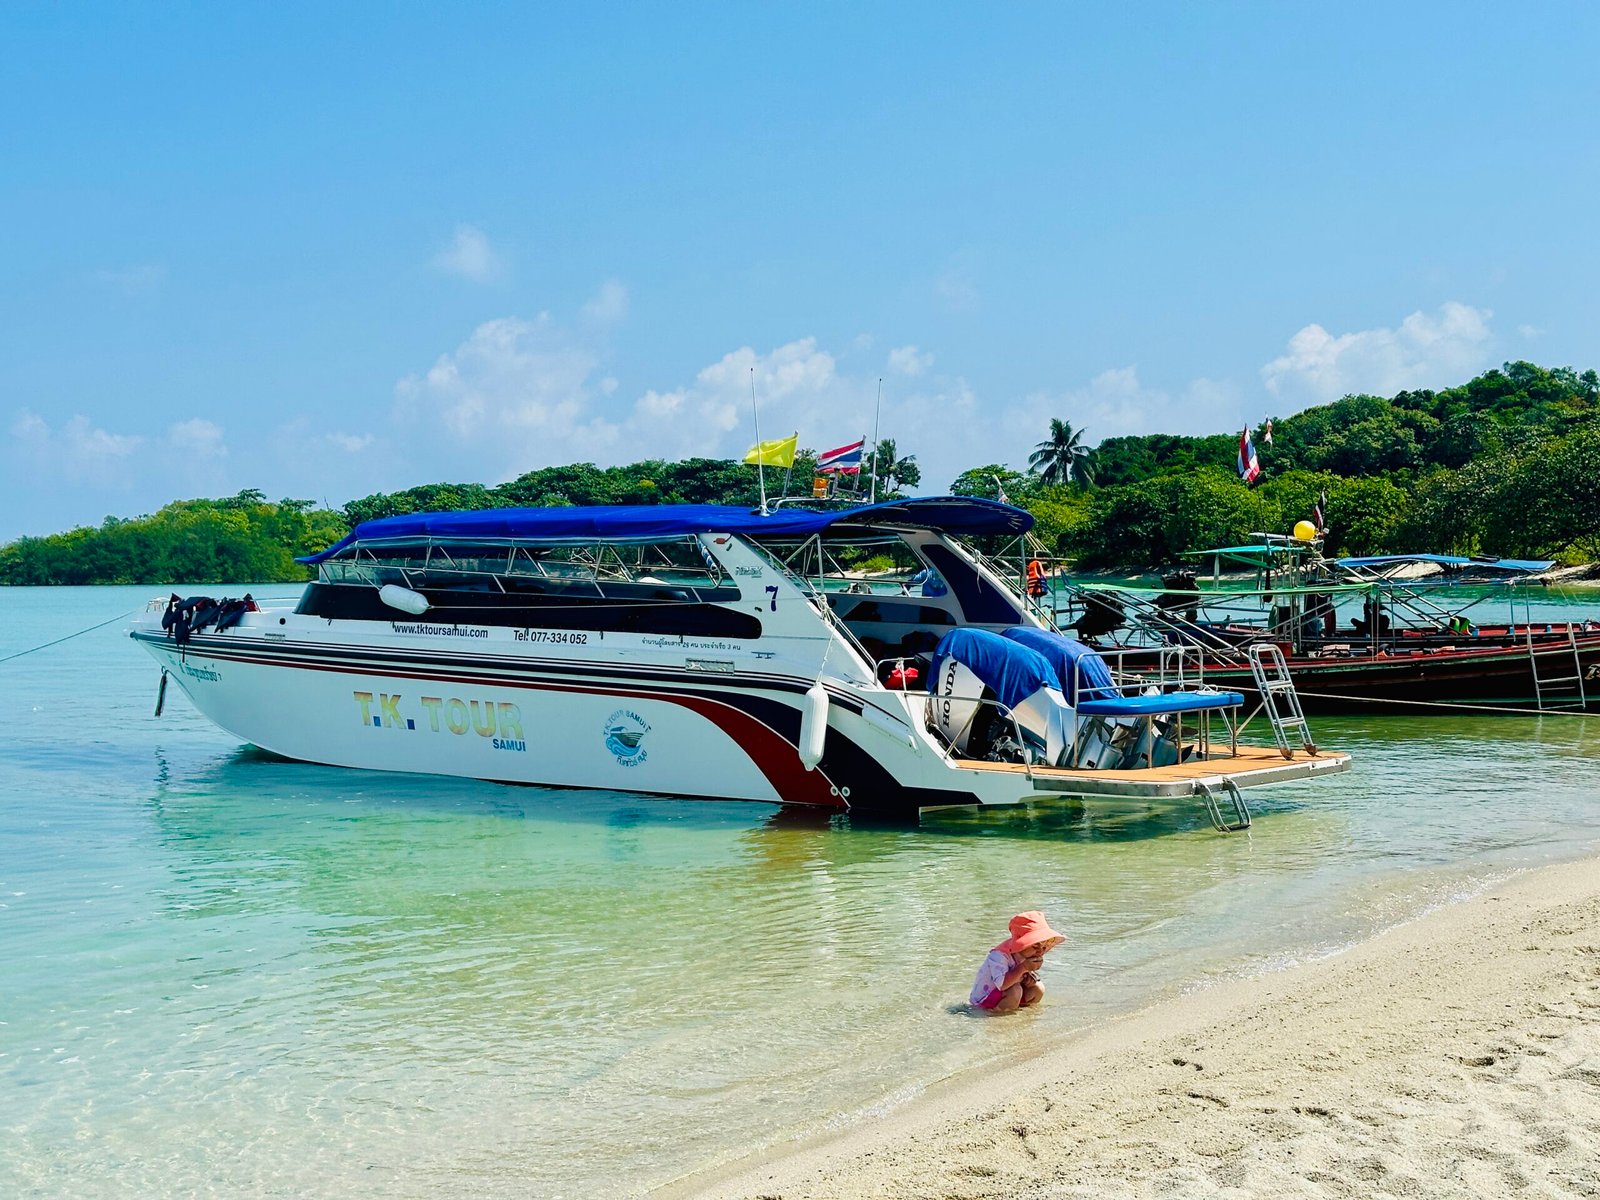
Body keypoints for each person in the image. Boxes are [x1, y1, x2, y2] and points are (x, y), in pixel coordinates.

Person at [969, 911, 1065, 1013]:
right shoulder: (998, 956)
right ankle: (997, 1016)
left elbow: (1020, 976)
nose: (1040, 951)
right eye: (1036, 946)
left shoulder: (1026, 955)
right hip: (984, 1000)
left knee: (1038, 988)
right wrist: (1023, 968)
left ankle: (1021, 1016)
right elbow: (1002, 985)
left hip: (1004, 995)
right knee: (1015, 990)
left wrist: (1027, 977)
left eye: (1044, 946)